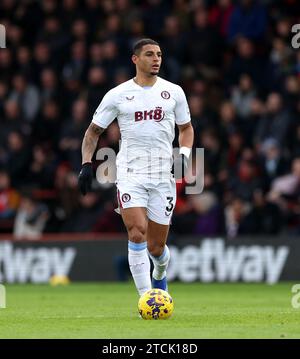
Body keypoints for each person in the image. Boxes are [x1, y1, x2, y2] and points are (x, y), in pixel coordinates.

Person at [78, 38, 194, 296]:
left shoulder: (174, 92)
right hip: (131, 174)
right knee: (137, 232)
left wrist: (184, 154)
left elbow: (186, 129)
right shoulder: (118, 95)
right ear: (135, 59)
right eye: (150, 54)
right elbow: (92, 132)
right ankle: (147, 298)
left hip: (164, 175)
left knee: (156, 247)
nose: (156, 59)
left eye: (160, 55)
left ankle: (160, 273)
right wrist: (87, 163)